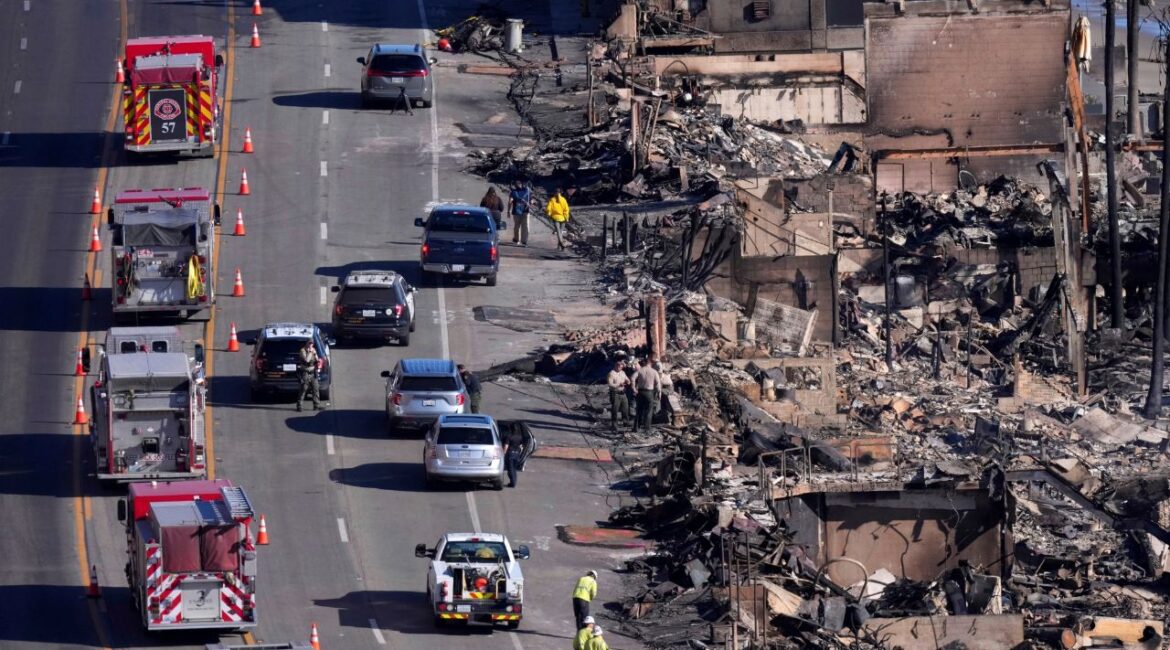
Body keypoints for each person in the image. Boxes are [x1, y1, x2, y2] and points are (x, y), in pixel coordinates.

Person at [632, 358, 662, 432]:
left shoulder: (640, 370)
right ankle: (647, 428)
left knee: (639, 410)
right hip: (649, 392)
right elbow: (658, 383)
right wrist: (659, 392)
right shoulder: (654, 371)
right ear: (650, 364)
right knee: (649, 410)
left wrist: (633, 388)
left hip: (640, 392)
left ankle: (636, 427)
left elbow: (632, 378)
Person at [296, 341, 321, 412]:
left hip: (313, 372)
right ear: (307, 343)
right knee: (303, 389)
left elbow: (317, 359)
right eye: (309, 343)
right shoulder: (302, 350)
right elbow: (306, 360)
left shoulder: (313, 349)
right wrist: (310, 352)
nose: (311, 345)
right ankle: (299, 405)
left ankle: (316, 405)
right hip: (305, 372)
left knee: (315, 388)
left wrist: (315, 355)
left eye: (312, 343)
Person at [606, 360, 632, 428]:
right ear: (616, 366)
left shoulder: (622, 372)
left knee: (625, 408)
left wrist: (628, 381)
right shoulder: (611, 373)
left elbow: (626, 378)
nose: (620, 368)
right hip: (615, 393)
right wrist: (618, 384)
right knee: (615, 409)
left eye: (621, 367)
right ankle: (614, 423)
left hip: (623, 393)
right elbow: (610, 384)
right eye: (619, 367)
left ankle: (625, 422)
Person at [508, 179, 532, 246]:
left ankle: (519, 240)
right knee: (524, 226)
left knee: (519, 226)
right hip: (523, 211)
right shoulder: (527, 191)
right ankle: (522, 240)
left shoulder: (514, 192)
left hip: (519, 211)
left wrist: (508, 211)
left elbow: (510, 202)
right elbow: (531, 200)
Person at [502, 422, 525, 488]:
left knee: (510, 470)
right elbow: (522, 445)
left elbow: (506, 446)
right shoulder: (520, 437)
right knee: (514, 469)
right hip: (517, 454)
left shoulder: (509, 436)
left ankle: (513, 483)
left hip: (510, 454)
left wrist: (503, 454)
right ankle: (513, 482)